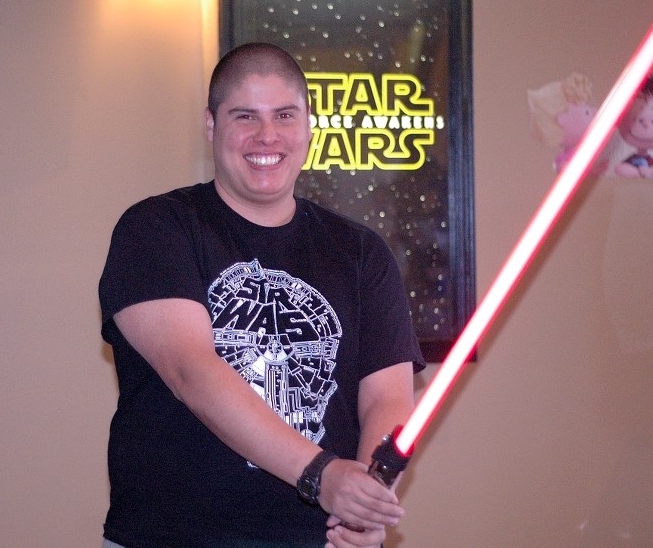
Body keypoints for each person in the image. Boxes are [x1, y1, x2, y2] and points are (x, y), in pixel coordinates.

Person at [99, 42, 425, 548]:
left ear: (309, 125)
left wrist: (364, 501)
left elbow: (387, 396)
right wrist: (323, 476)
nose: (267, 135)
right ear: (211, 125)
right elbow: (192, 371)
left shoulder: (361, 252)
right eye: (244, 116)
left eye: (285, 115)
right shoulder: (157, 229)